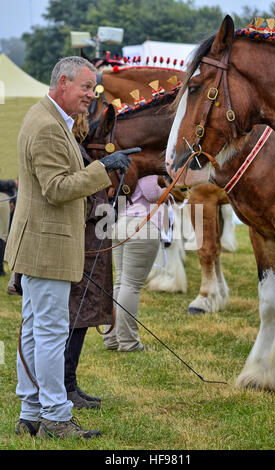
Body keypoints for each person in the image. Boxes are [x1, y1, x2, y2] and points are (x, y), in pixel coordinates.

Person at [4, 56, 140, 439]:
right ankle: (56, 418)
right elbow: (57, 188)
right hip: (46, 247)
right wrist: (102, 169)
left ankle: (31, 413)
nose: (90, 96)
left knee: (34, 331)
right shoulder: (46, 125)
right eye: (85, 87)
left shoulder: (49, 117)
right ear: (62, 82)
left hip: (41, 244)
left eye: (92, 88)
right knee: (49, 333)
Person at [64, 114, 114, 410]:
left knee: (81, 315)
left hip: (94, 240)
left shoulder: (80, 146)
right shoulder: (71, 147)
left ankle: (69, 383)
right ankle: (64, 385)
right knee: (74, 314)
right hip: (81, 242)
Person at [103, 175, 169, 352]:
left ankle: (112, 339)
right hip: (142, 226)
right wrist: (169, 189)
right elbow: (151, 193)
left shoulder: (125, 170)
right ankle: (128, 342)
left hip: (122, 223)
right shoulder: (147, 169)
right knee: (130, 285)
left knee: (121, 283)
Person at [0, 180, 17, 276]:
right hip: (2, 198)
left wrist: (11, 201)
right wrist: (12, 183)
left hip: (5, 199)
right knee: (2, 235)